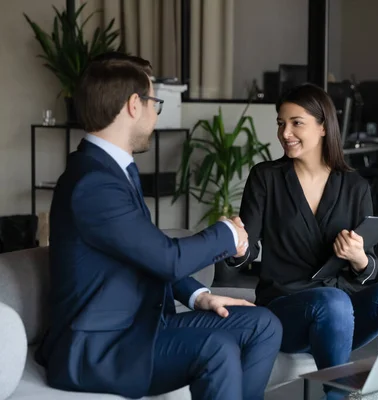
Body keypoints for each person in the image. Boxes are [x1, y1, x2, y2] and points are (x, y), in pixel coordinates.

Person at [35, 52, 282, 400]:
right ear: (134, 105)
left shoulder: (115, 171)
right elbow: (166, 258)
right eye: (155, 103)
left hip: (140, 327)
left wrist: (200, 296)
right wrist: (226, 233)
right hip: (100, 347)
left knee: (263, 325)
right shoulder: (93, 183)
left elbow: (147, 252)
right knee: (216, 347)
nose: (155, 114)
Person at [227, 83, 378, 398]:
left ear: (323, 127)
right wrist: (238, 248)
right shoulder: (266, 178)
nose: (285, 132)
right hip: (288, 312)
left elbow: (368, 266)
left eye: (296, 122)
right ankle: (336, 396)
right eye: (281, 123)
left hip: (343, 315)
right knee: (334, 302)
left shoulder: (355, 186)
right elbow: (247, 251)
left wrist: (358, 257)